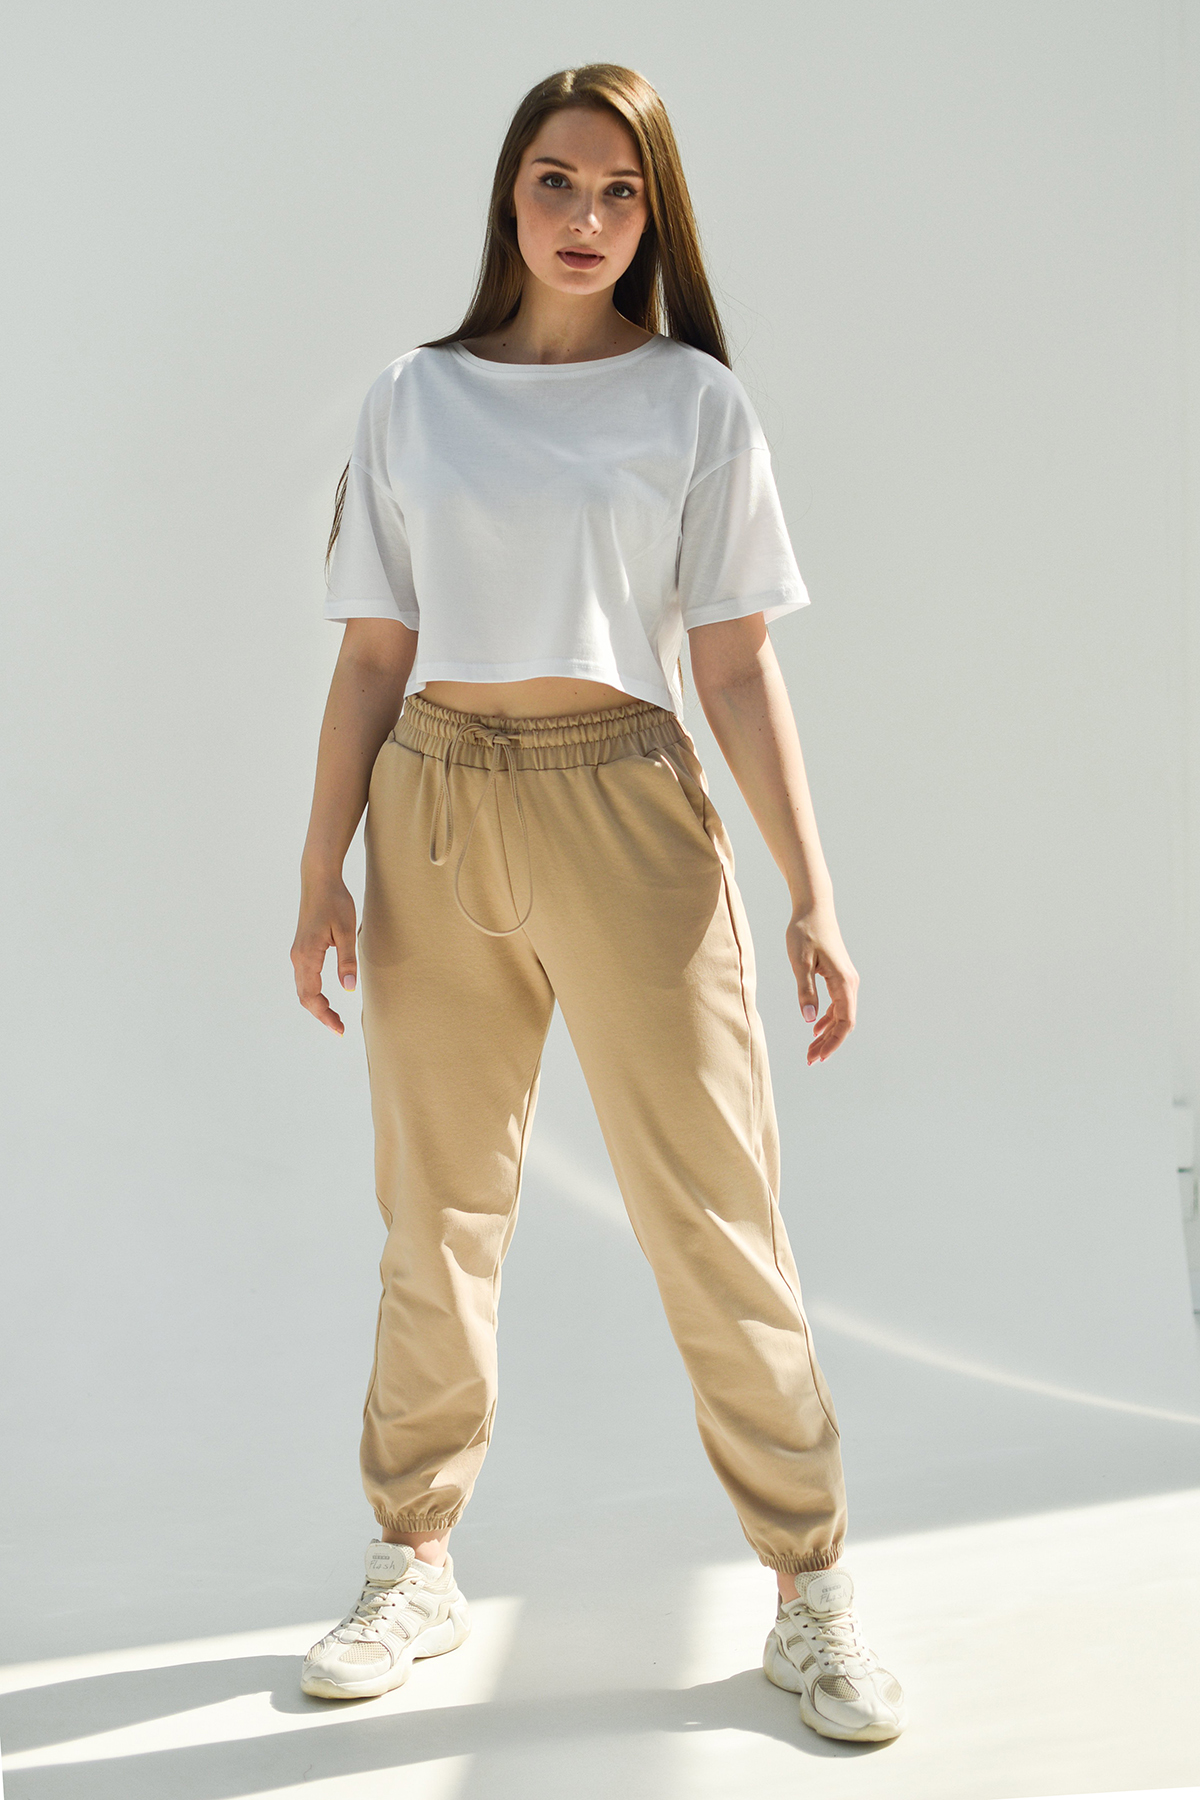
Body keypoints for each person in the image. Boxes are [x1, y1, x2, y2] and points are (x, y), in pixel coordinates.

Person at [290, 62, 906, 1744]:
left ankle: (811, 1588)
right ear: (510, 195)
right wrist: (319, 870)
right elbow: (371, 655)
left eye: (622, 193)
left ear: (657, 215)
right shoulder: (413, 397)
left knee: (714, 1212)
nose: (586, 219)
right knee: (436, 1212)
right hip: (430, 805)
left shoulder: (693, 402)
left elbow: (738, 665)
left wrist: (814, 894)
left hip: (628, 806)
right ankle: (414, 1557)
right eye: (556, 183)